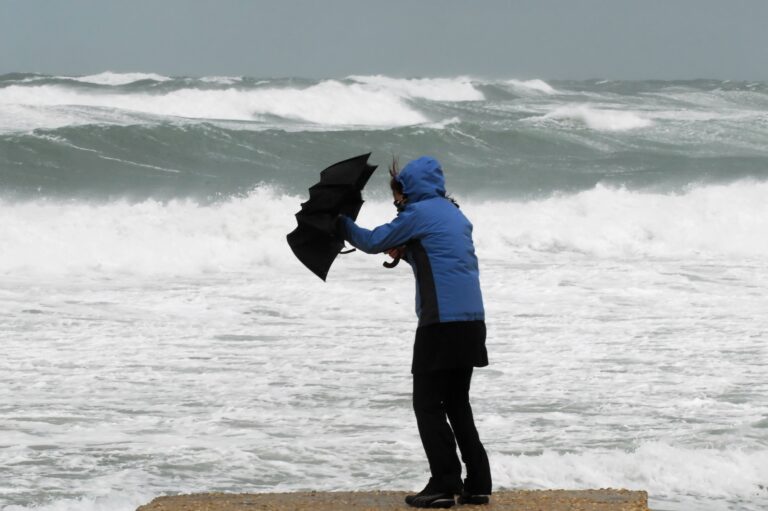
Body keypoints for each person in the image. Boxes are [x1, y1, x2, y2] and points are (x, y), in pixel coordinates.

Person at [338, 156, 492, 509]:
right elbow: (442, 257)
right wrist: (408, 253)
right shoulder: (454, 213)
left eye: (397, 195)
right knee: (456, 402)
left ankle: (443, 482)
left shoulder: (418, 214)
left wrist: (340, 223)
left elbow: (373, 240)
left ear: (408, 189)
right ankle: (478, 483)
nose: (396, 202)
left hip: (441, 323)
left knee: (426, 404)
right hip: (472, 322)